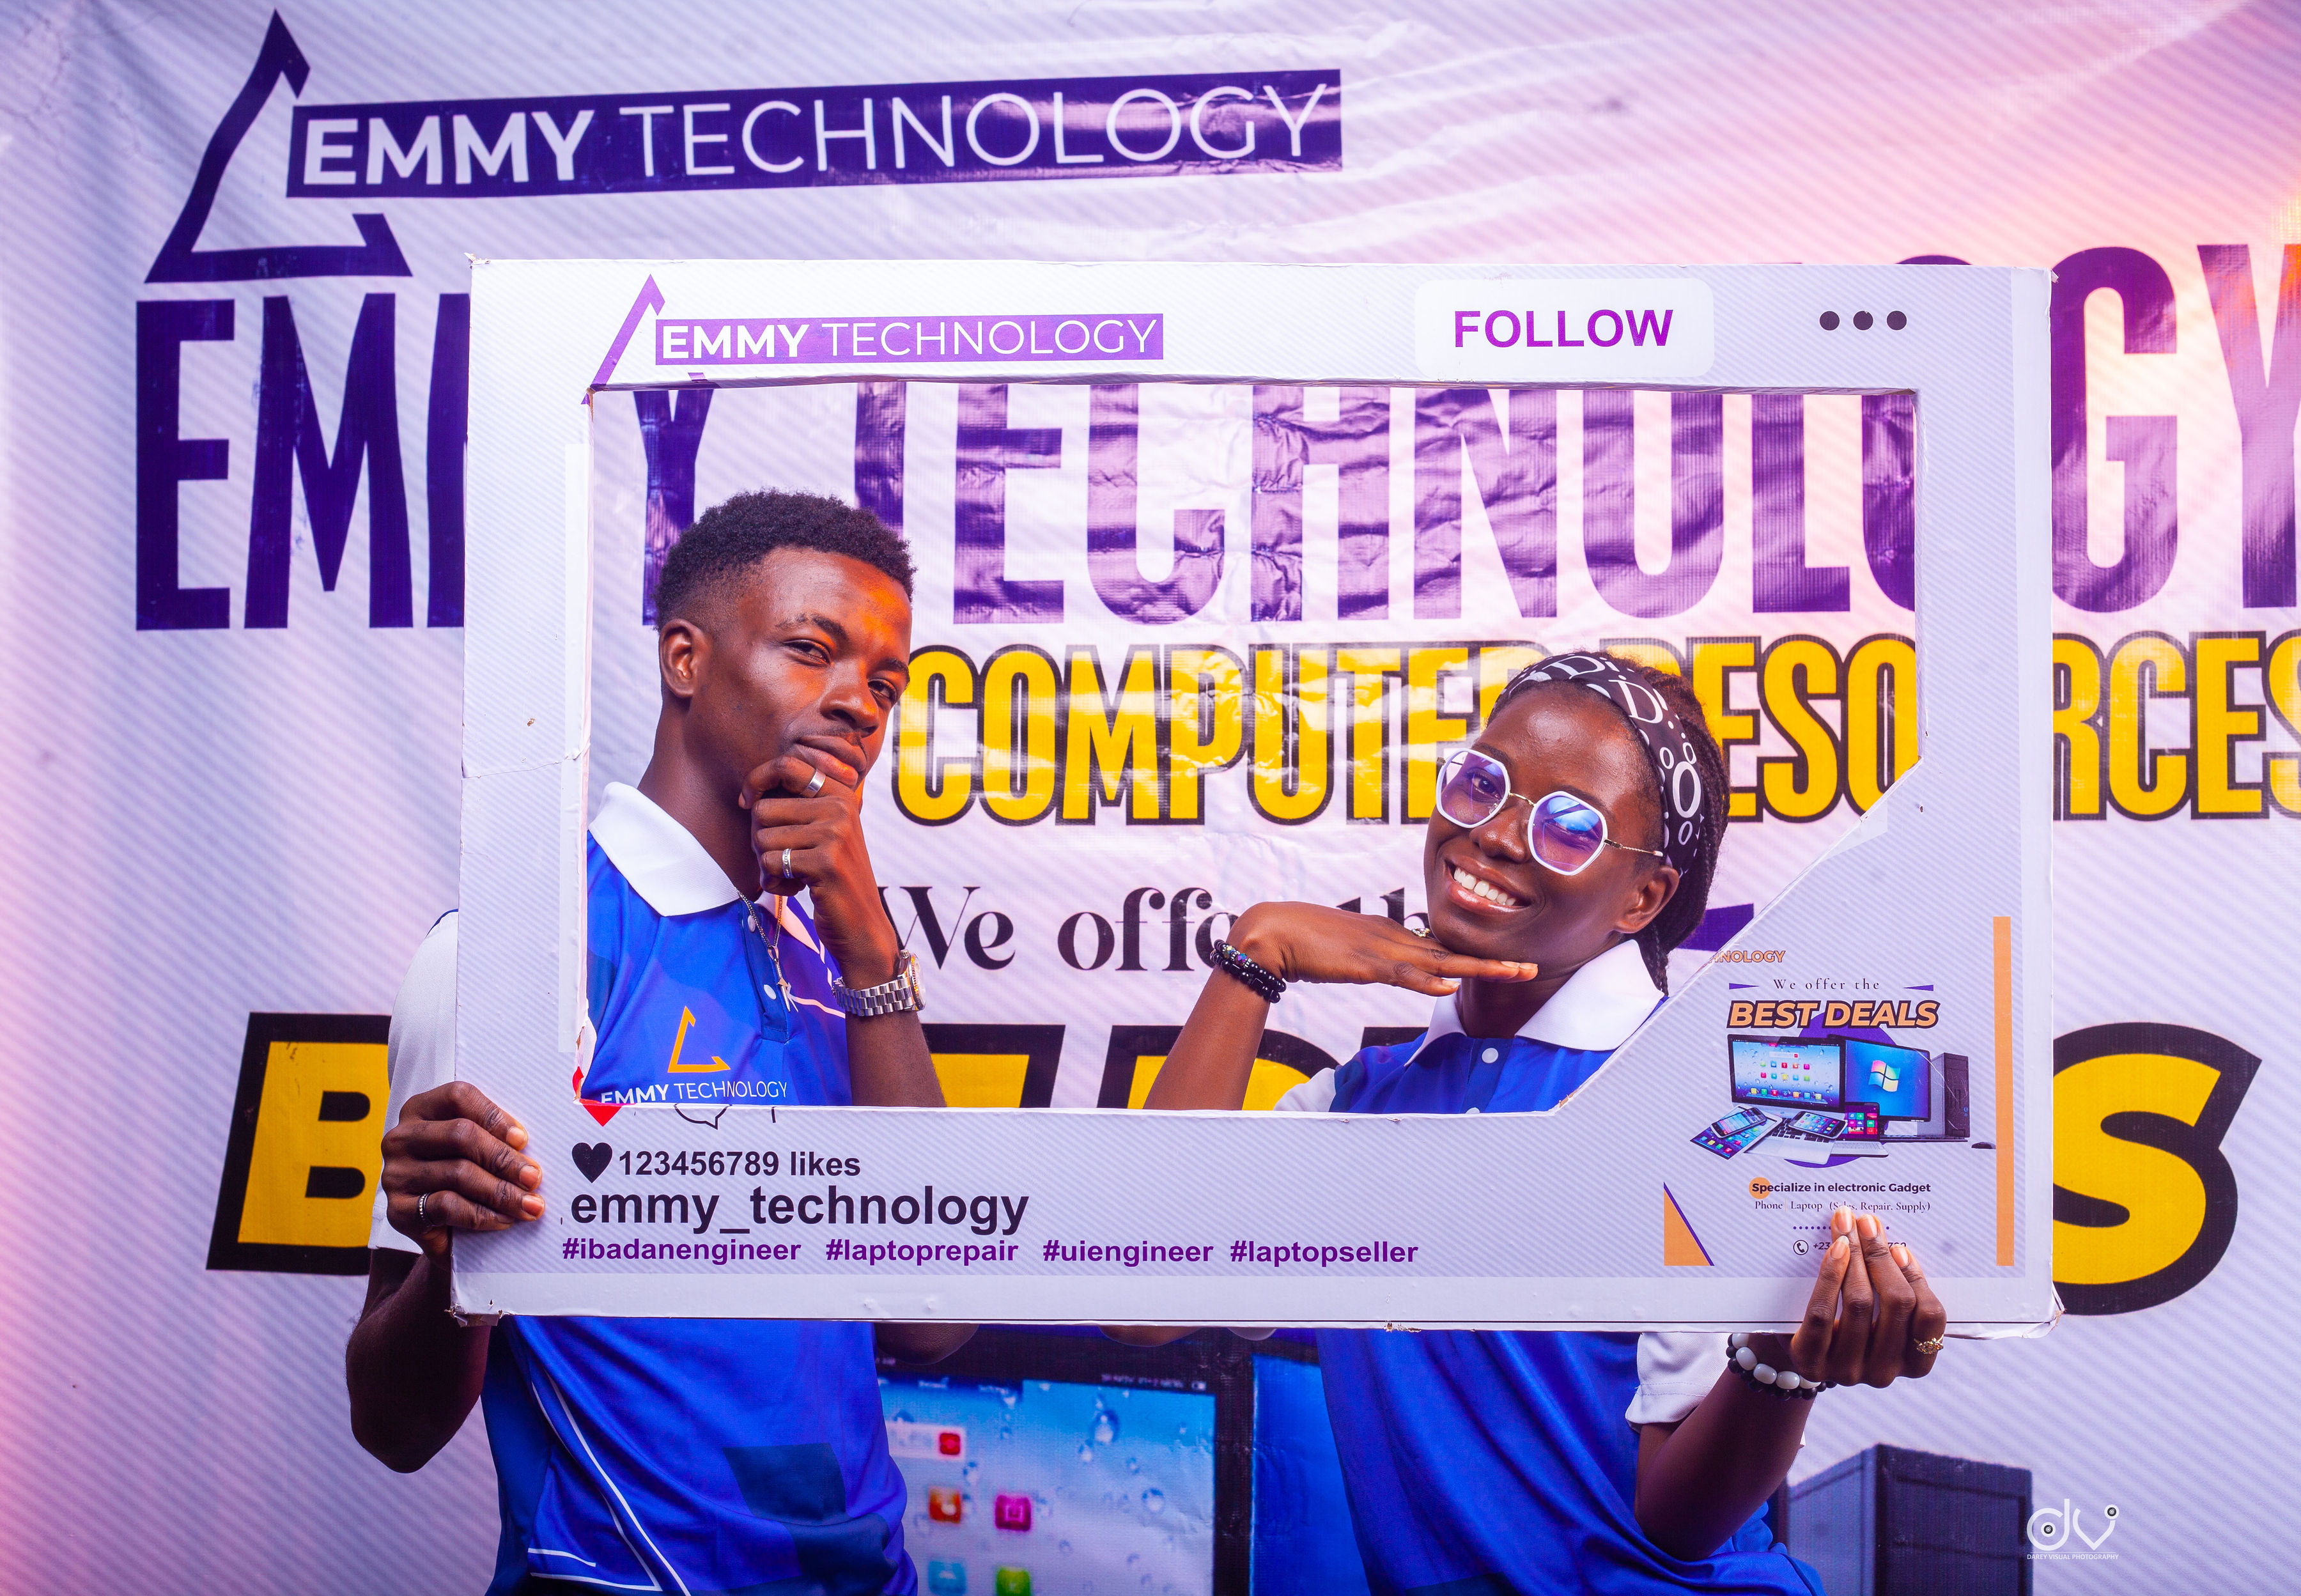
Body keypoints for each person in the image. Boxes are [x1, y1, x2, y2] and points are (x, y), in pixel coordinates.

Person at [1119, 651, 1946, 1595]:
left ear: (1642, 898)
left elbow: (1677, 1523)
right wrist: (1253, 957)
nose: (1497, 835)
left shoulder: (1686, 1102)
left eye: (1570, 826)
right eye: (1483, 784)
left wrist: (1778, 1367)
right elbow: (1142, 1303)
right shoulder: (1354, 1106)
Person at [347, 490, 970, 1595]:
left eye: (885, 684)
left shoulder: (837, 958)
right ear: (686, 658)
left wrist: (873, 951)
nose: (857, 704)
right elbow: (390, 1425)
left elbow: (933, 1321)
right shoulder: (521, 952)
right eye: (811, 649)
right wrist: (453, 1259)